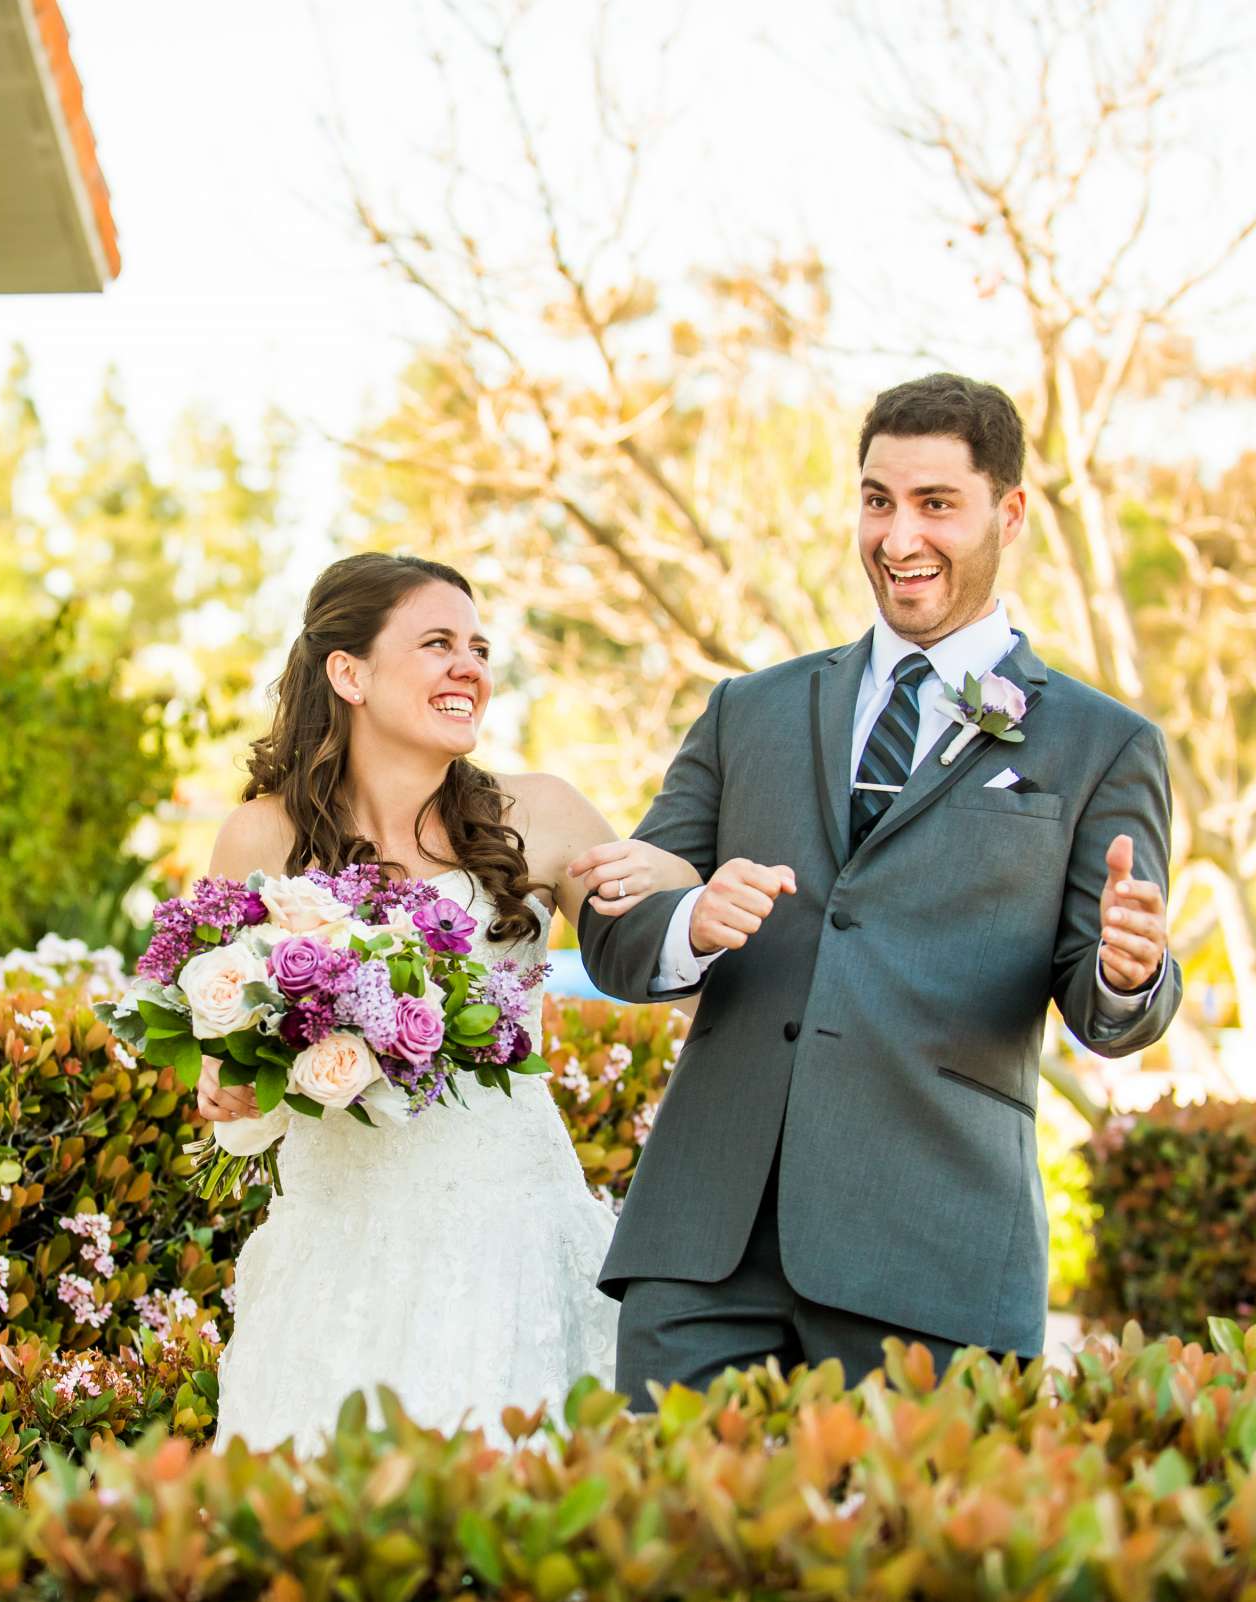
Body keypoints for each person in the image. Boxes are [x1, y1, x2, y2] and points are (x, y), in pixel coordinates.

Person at [574, 372, 1182, 1396]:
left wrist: (1129, 972)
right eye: (877, 500)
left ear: (1010, 511)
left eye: (936, 504)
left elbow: (1108, 1008)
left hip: (932, 1261)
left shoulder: (1102, 745)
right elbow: (617, 928)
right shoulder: (748, 711)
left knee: (906, 1553)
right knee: (666, 1552)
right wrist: (692, 922)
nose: (899, 536)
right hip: (701, 1251)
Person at [194, 551, 697, 1449]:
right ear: (348, 672)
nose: (471, 666)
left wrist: (679, 878)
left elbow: (660, 963)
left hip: (514, 1245)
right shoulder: (260, 837)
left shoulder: (539, 812)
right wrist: (232, 1089)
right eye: (437, 644)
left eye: (478, 646)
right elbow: (225, 1068)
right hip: (334, 1263)